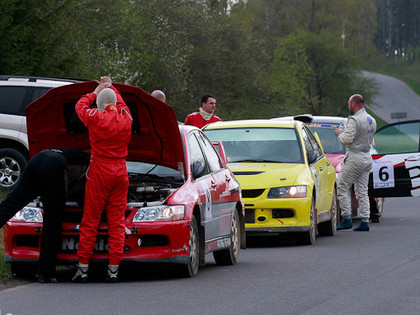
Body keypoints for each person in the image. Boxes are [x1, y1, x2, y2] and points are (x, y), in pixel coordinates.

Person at [72, 77, 132, 283]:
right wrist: (111, 86)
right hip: (121, 171)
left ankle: (83, 268)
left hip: (100, 170)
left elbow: (80, 105)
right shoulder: (126, 118)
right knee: (117, 222)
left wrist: (96, 91)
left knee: (90, 220)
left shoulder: (95, 117)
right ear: (115, 102)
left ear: (99, 104)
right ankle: (113, 269)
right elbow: (120, 103)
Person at [0, 148, 89, 282]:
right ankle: (45, 273)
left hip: (38, 158)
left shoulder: (73, 153)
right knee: (53, 220)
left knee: (11, 204)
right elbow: (78, 190)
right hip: (54, 166)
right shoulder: (93, 163)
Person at [335, 94, 376, 232]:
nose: (348, 107)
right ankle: (365, 220)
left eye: (349, 104)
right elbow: (368, 139)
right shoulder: (372, 120)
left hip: (355, 157)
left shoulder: (354, 119)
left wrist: (340, 134)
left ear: (353, 104)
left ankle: (346, 218)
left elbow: (347, 139)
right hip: (367, 157)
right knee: (362, 191)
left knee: (342, 186)